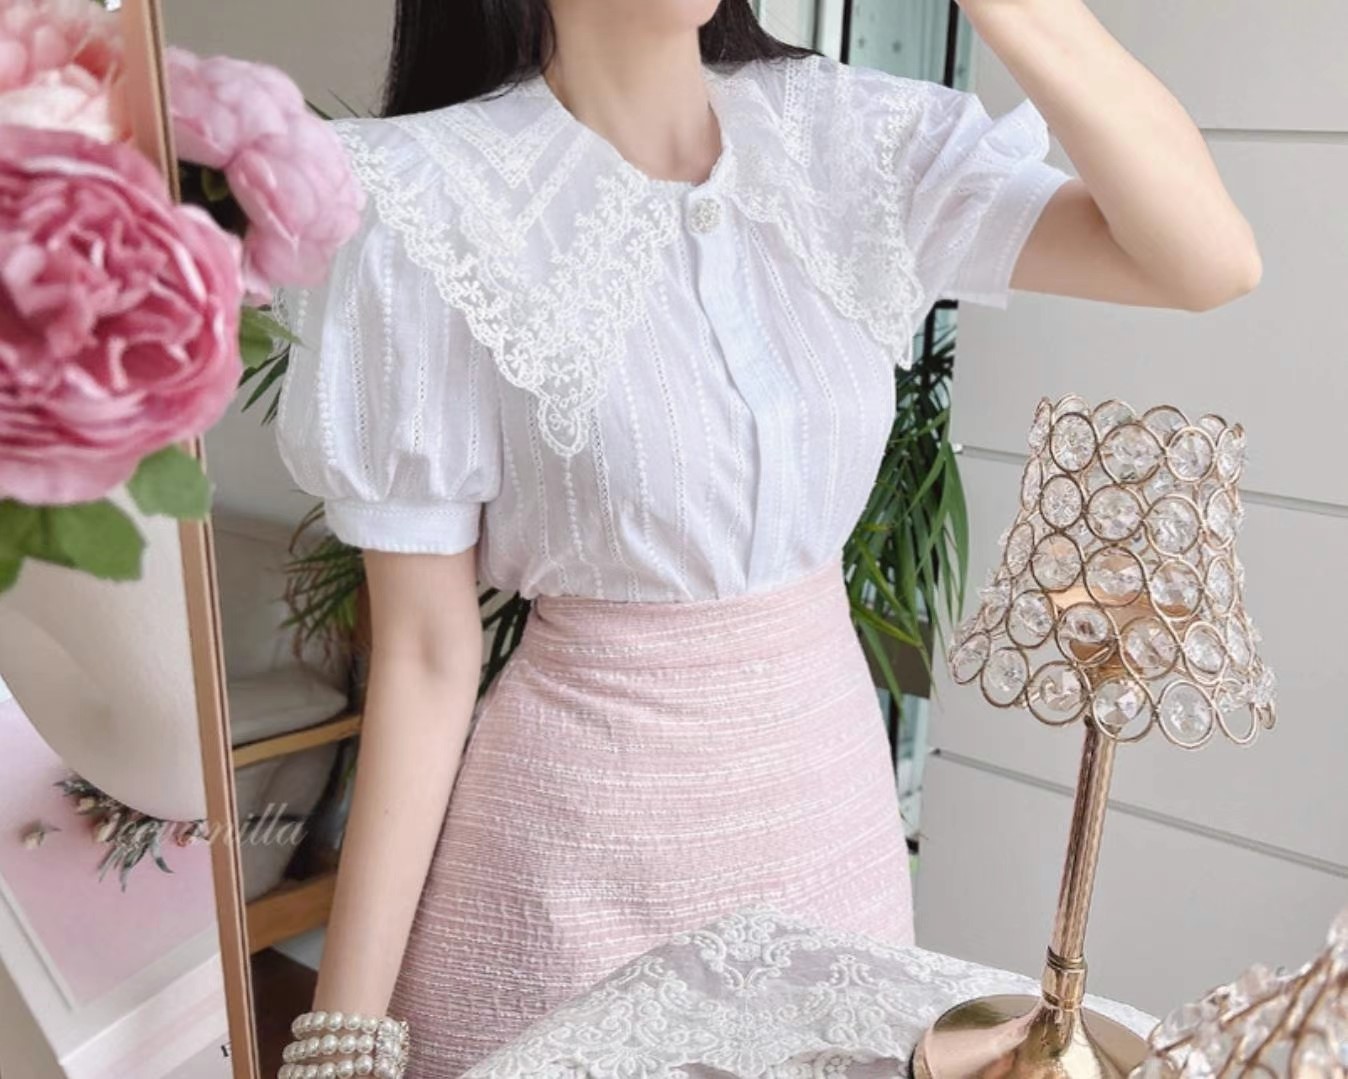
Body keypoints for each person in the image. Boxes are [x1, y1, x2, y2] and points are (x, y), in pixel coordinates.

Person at [273, 0, 1261, 1075]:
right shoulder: (424, 195)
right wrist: (345, 1037)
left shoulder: (845, 139)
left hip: (831, 837)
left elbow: (1205, 261)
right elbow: (426, 652)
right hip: (566, 882)